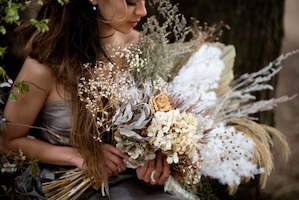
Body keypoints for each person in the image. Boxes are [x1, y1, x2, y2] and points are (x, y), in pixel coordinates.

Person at [1, 0, 179, 199]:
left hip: (129, 183)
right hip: (64, 184)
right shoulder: (45, 63)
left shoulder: (145, 50)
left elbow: (158, 120)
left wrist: (155, 160)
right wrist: (79, 155)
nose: (142, 11)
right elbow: (8, 142)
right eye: (130, 2)